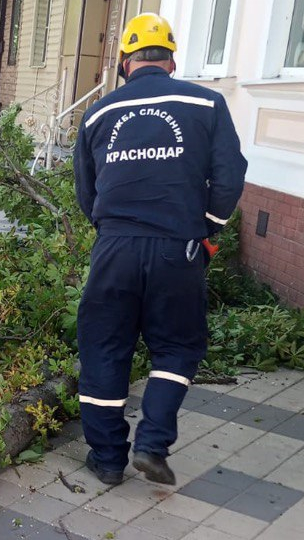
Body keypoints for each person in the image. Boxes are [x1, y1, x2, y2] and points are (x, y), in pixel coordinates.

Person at [72, 12, 247, 486]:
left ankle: (108, 459)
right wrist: (206, 230)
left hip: (115, 248)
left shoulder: (99, 113)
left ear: (124, 62)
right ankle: (151, 444)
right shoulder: (206, 103)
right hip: (178, 247)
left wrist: (112, 230)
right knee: (178, 345)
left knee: (104, 346)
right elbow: (230, 177)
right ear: (171, 61)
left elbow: (87, 191)